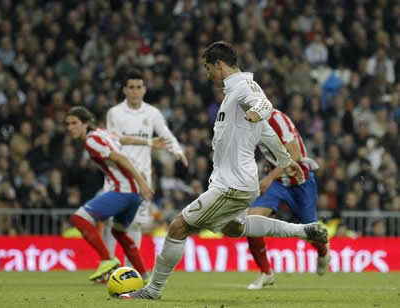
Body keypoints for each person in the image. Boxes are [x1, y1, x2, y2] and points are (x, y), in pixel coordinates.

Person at [119, 41, 328, 300]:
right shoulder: (234, 94)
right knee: (234, 229)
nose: (207, 74)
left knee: (178, 227)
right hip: (237, 182)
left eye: (208, 67)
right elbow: (267, 132)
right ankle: (302, 230)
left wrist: (257, 113)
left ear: (219, 65)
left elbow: (264, 107)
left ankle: (153, 290)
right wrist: (284, 160)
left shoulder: (243, 87)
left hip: (232, 185)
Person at [66, 106, 168, 283]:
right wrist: (149, 142)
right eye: (68, 124)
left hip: (124, 190)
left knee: (79, 219)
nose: (70, 127)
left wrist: (142, 182)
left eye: (75, 123)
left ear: (85, 123)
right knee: (119, 232)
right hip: (134, 193)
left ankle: (107, 260)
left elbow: (121, 158)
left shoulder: (91, 140)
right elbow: (123, 139)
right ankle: (145, 277)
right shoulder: (102, 133)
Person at [102, 69, 188, 268]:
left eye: (138, 87)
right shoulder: (115, 113)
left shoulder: (152, 113)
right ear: (124, 90)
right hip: (117, 174)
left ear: (144, 89)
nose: (135, 91)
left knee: (136, 223)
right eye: (131, 87)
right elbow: (113, 140)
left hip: (142, 177)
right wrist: (149, 142)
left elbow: (165, 134)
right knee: (110, 221)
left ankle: (129, 269)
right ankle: (108, 266)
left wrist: (177, 150)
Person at [246, 109, 329, 290]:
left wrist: (267, 179)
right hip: (277, 182)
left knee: (311, 232)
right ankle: (266, 273)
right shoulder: (247, 122)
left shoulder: (278, 120)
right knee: (251, 221)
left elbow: (295, 155)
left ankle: (323, 251)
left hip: (300, 181)